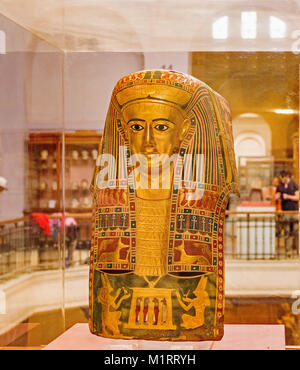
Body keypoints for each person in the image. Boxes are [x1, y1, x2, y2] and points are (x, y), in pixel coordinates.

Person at [275, 171, 299, 243]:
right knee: (287, 231)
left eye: (283, 178)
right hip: (285, 211)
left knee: (295, 230)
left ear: (287, 176)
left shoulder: (294, 184)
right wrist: (277, 198)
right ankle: (287, 252)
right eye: (281, 178)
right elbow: (277, 198)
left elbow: (297, 197)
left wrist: (288, 196)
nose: (282, 180)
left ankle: (296, 249)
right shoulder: (279, 186)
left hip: (294, 211)